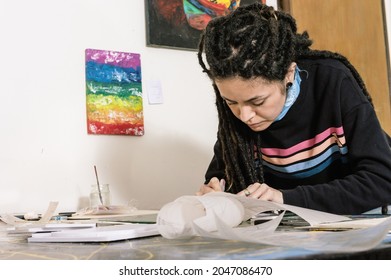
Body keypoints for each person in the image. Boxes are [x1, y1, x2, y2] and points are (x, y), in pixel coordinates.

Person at [196, 2, 391, 215]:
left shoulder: (333, 82)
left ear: (289, 73)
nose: (245, 116)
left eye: (258, 102)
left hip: (360, 225)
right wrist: (215, 195)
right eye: (231, 102)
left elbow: (382, 180)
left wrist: (285, 198)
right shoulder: (238, 107)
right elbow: (224, 178)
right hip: (292, 235)